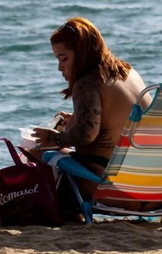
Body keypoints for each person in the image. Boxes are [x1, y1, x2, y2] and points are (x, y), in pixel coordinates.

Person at [29, 17, 149, 220]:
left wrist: (55, 139)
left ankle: (71, 218)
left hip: (116, 189)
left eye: (63, 58)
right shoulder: (129, 73)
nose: (60, 67)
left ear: (82, 52)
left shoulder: (87, 83)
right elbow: (114, 122)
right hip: (154, 187)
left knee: (37, 152)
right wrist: (76, 119)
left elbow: (87, 134)